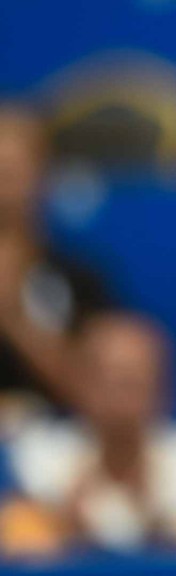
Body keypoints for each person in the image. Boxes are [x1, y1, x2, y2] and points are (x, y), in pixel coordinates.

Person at [1, 312, 176, 558]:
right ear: (78, 383)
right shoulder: (38, 459)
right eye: (107, 381)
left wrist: (162, 533)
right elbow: (23, 553)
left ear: (165, 386)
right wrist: (66, 529)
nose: (119, 400)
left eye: (132, 382)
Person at [0, 103, 111, 438]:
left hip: (59, 446)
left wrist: (15, 319)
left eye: (11, 173)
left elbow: (107, 396)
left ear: (43, 179)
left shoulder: (78, 280)